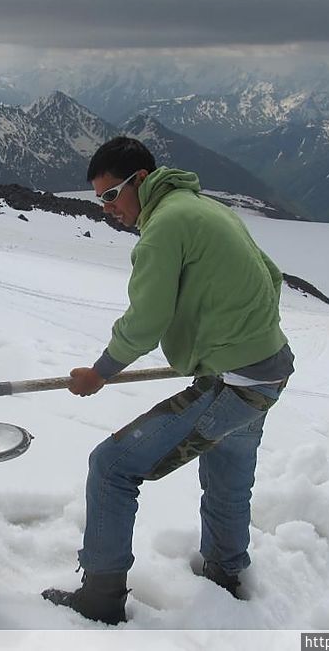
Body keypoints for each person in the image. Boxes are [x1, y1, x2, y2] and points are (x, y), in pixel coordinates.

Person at [42, 137, 294, 624]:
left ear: (139, 180)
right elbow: (271, 274)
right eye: (99, 199)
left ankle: (100, 595)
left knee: (112, 467)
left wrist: (100, 372)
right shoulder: (199, 206)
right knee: (227, 471)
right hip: (268, 372)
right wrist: (232, 343)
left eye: (111, 194)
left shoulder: (164, 228)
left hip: (235, 384)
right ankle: (225, 572)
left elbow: (146, 320)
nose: (106, 208)